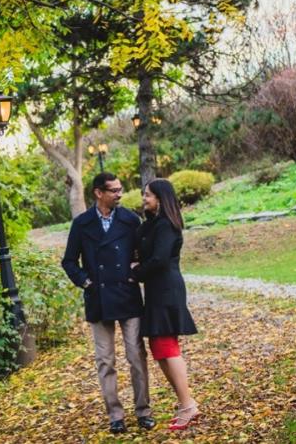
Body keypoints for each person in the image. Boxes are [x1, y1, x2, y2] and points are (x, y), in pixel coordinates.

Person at [62, 172, 155, 434]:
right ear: (98, 193)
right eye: (114, 190)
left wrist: (135, 272)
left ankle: (143, 411)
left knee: (136, 356)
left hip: (127, 295)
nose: (119, 194)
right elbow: (69, 261)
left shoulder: (130, 219)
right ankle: (115, 415)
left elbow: (142, 253)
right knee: (105, 360)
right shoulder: (82, 224)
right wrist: (86, 282)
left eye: (120, 189)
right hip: (98, 298)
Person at [131, 178, 200, 431]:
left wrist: (135, 272)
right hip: (156, 290)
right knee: (159, 347)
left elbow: (159, 259)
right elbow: (140, 244)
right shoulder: (152, 224)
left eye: (148, 195)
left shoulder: (166, 225)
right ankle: (185, 403)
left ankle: (188, 405)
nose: (144, 198)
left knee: (167, 346)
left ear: (160, 198)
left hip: (167, 289)